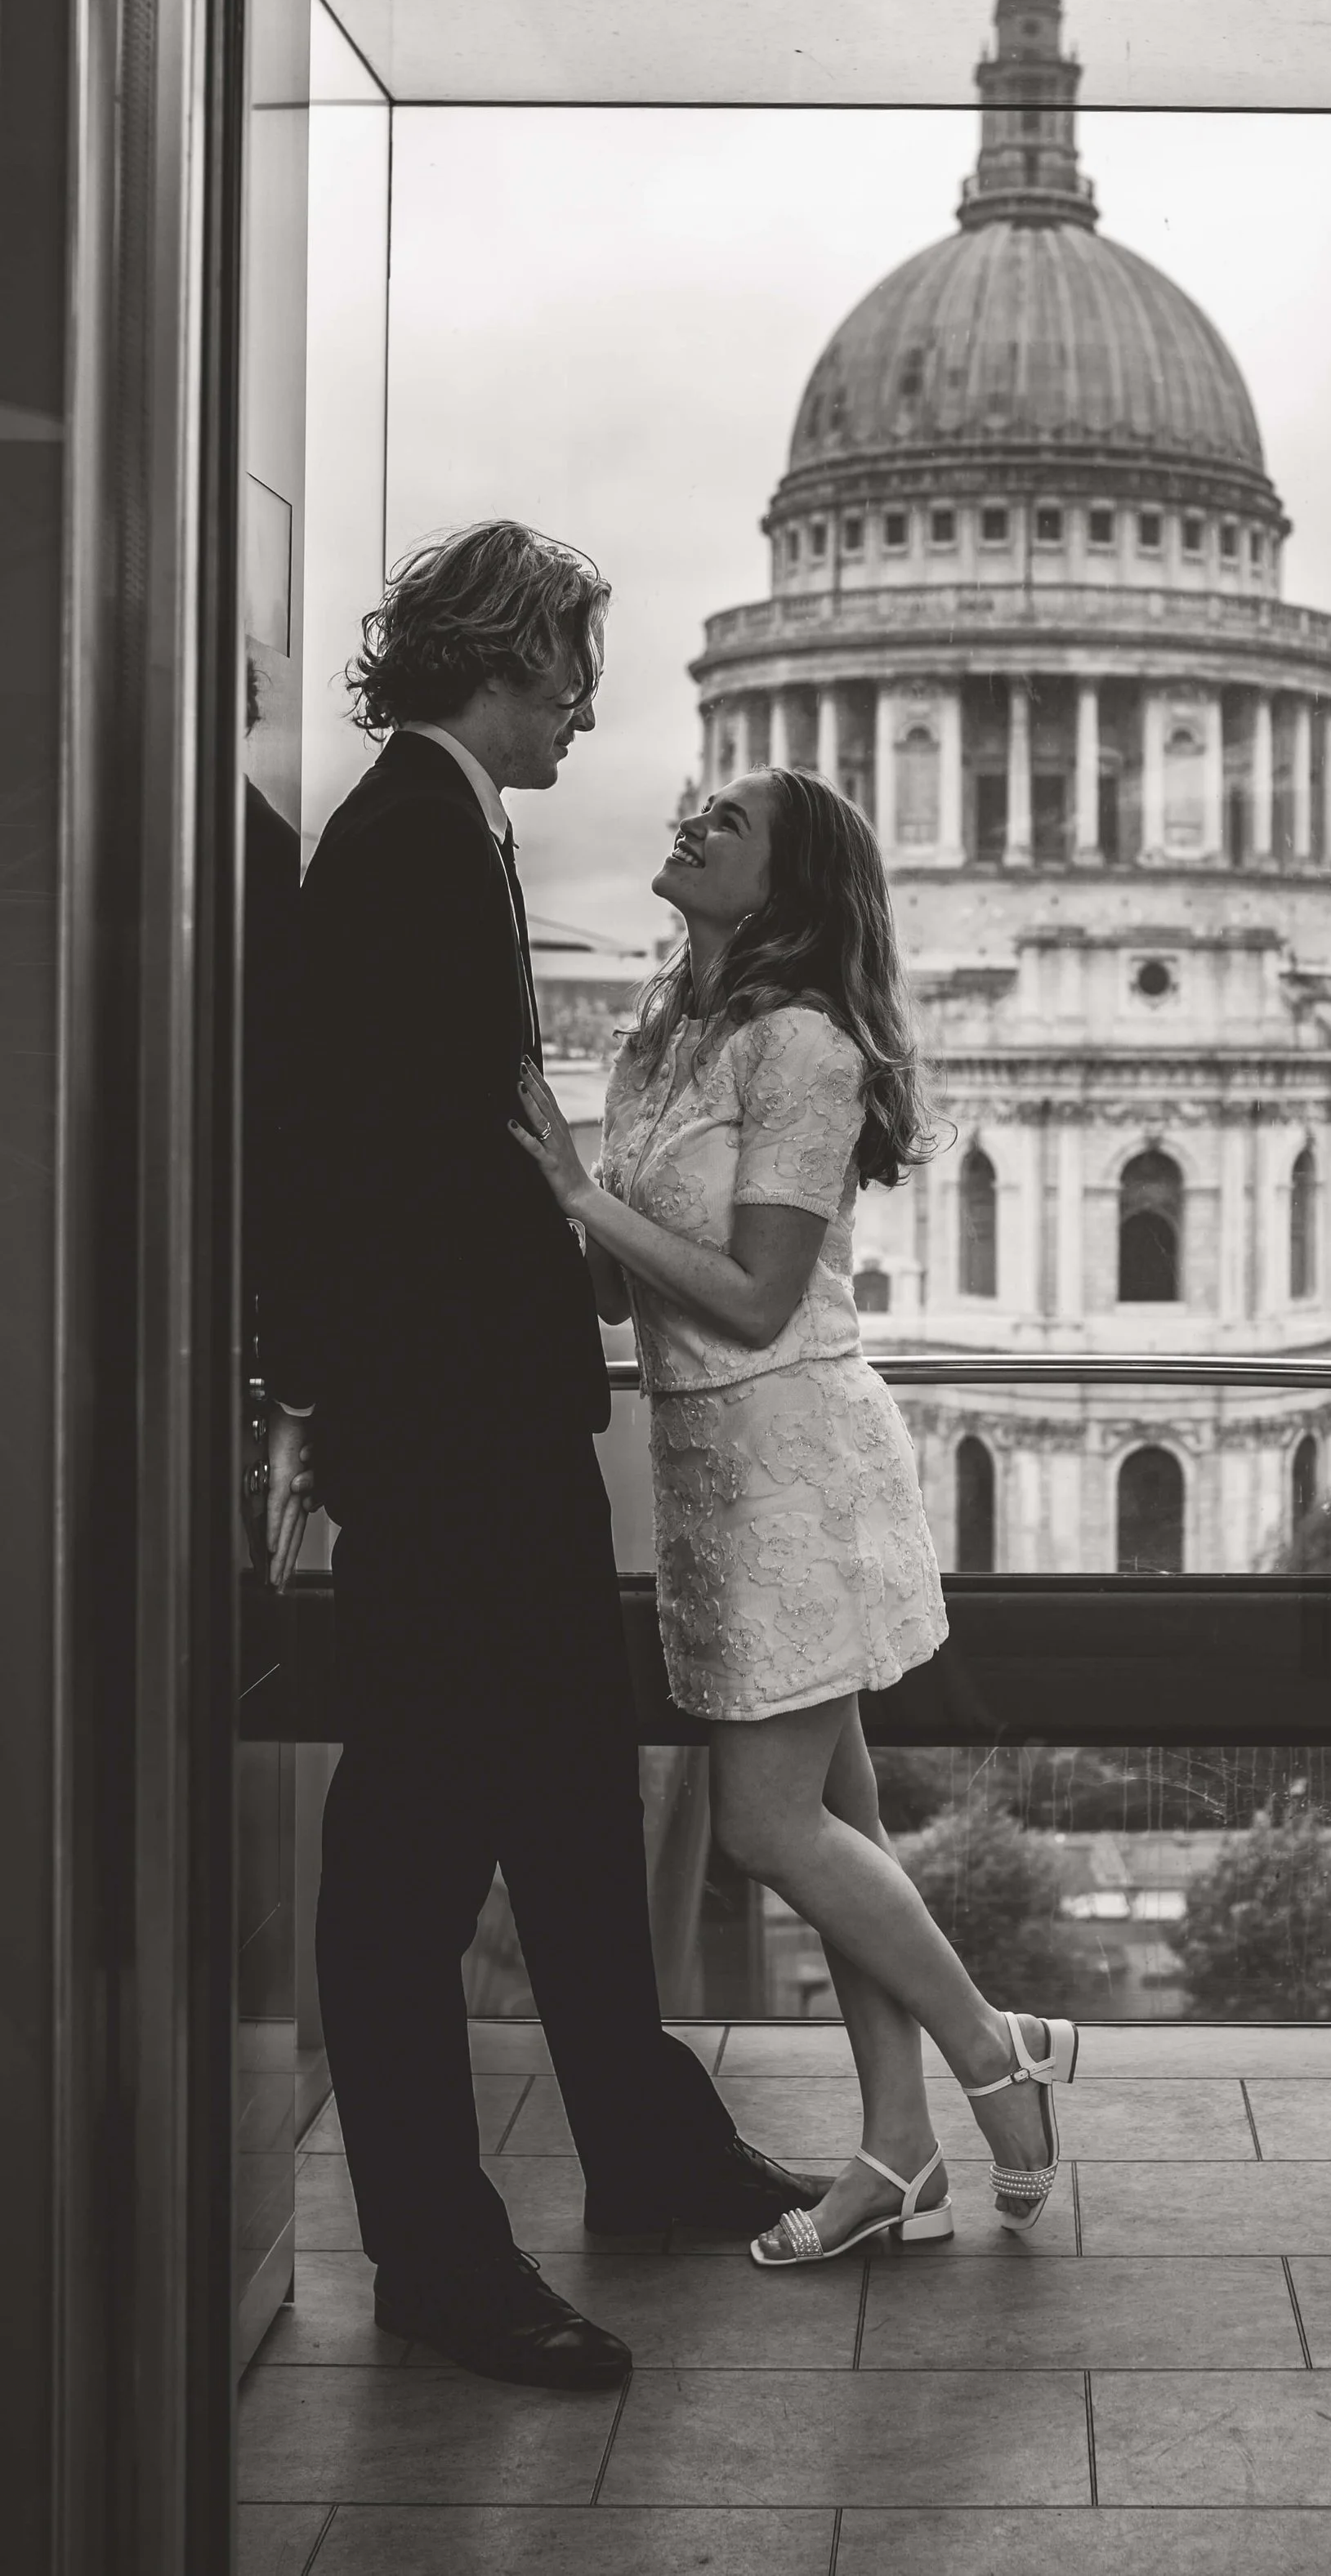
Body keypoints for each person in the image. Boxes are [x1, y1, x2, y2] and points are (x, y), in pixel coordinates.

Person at [261, 521, 826, 2388]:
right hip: (452, 1438)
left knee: (575, 1800)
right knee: (416, 1846)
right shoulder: (411, 845)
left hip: (490, 1421)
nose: (592, 709)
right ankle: (435, 2254)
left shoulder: (442, 833)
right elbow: (390, 1180)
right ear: (502, 662)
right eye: (574, 669)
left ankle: (649, 2145)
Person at [510, 764, 1079, 2268]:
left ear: (788, 883)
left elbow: (759, 1298)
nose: (687, 823)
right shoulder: (665, 1033)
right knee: (846, 1830)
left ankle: (993, 2049)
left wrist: (576, 1192)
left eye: (728, 824)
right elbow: (631, 1267)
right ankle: (898, 2149)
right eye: (690, 807)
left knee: (770, 1824)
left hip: (795, 1459)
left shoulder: (810, 1048)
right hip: (713, 1460)